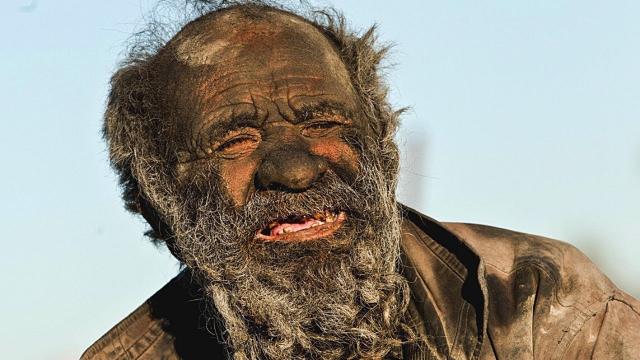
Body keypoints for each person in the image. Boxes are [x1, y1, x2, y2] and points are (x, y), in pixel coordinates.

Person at [82, 2, 640, 359]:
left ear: (383, 149)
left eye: (321, 122)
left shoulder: (534, 300)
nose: (294, 169)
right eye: (236, 140)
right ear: (160, 200)